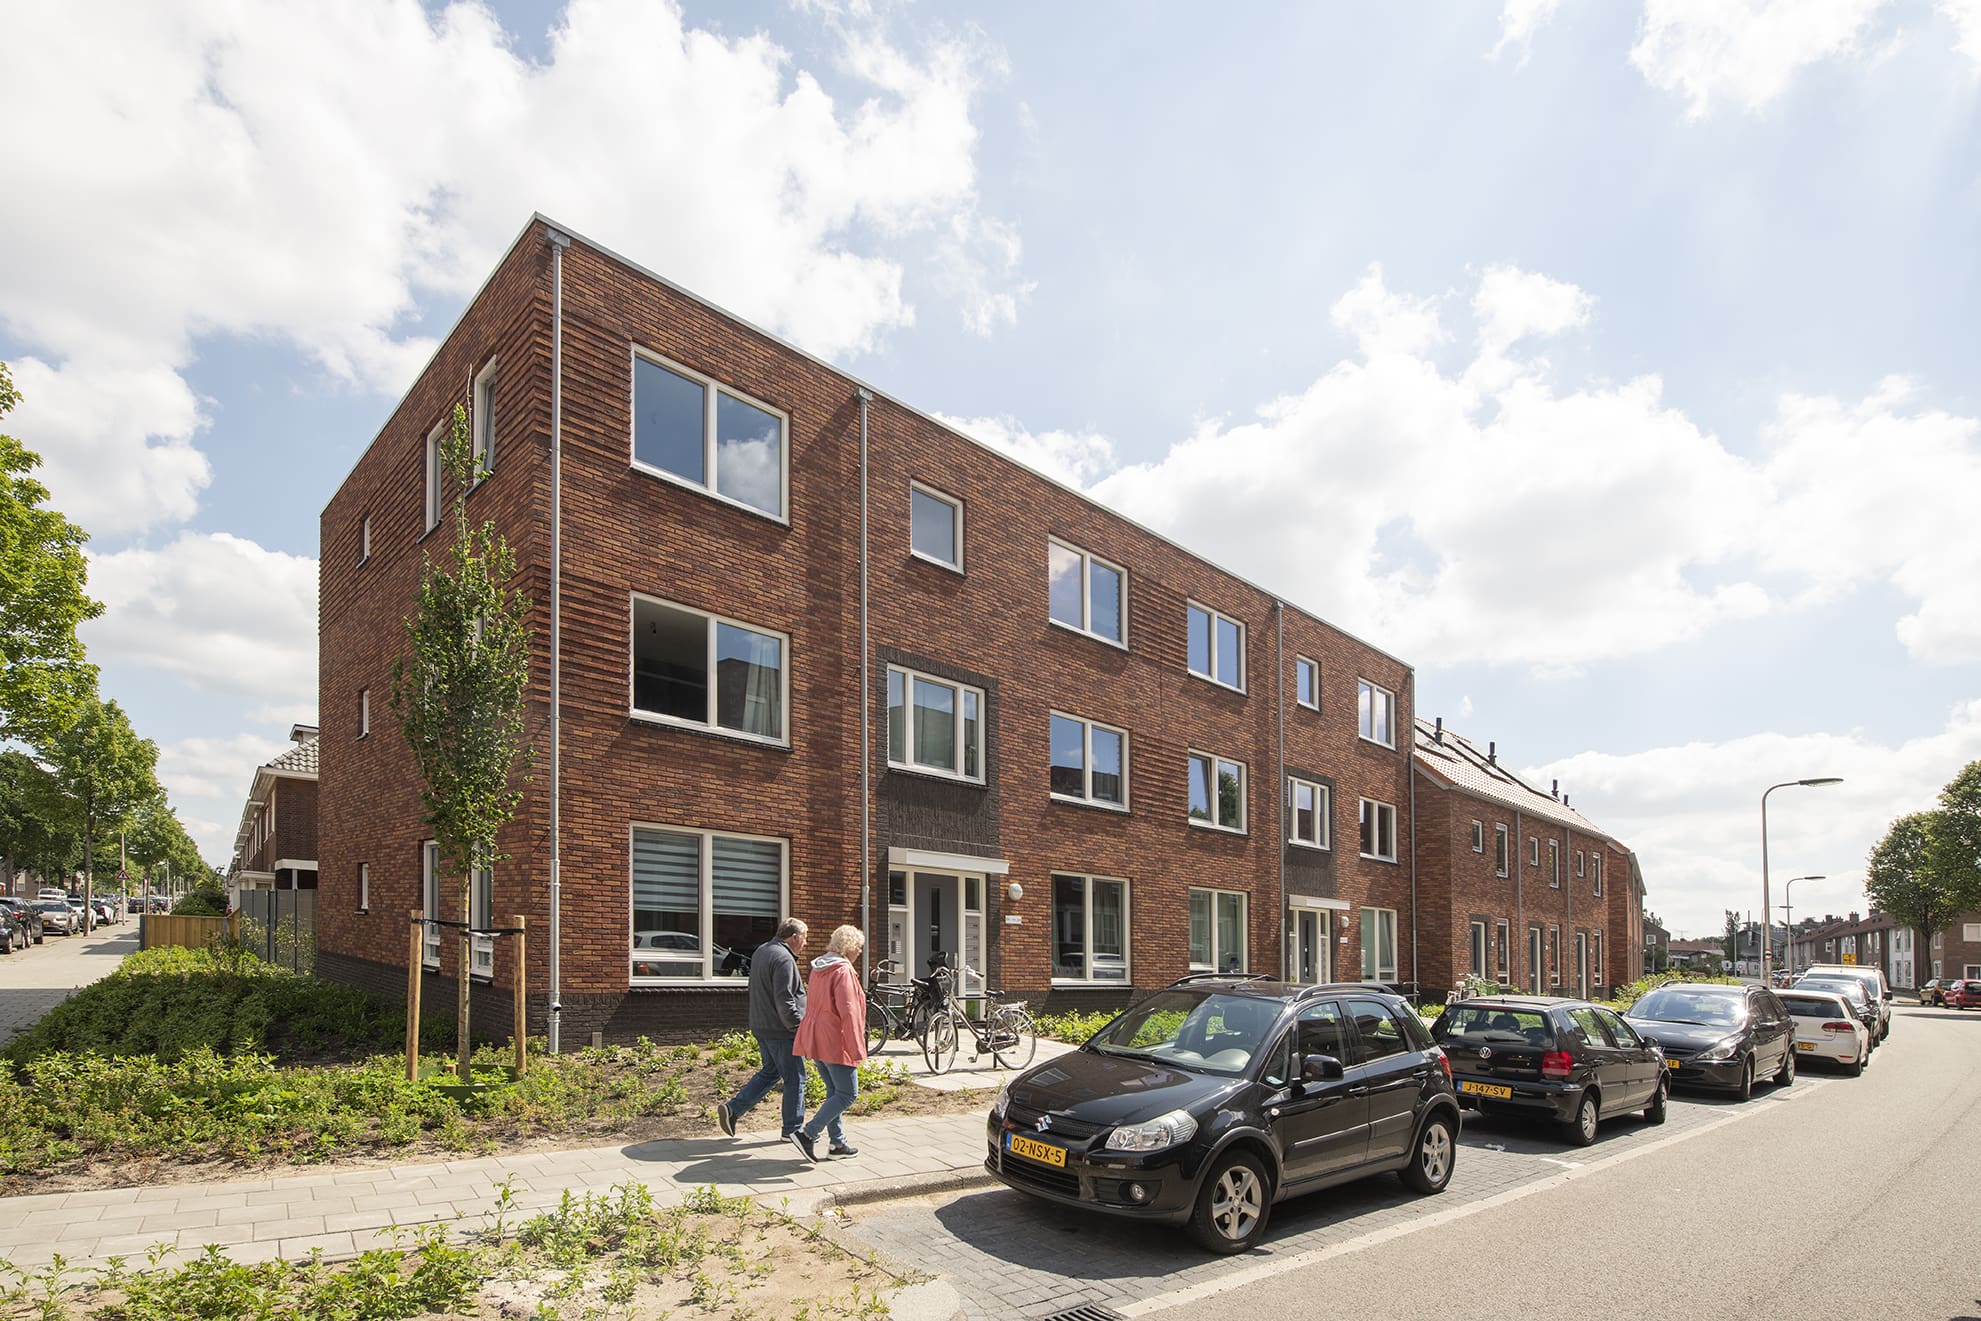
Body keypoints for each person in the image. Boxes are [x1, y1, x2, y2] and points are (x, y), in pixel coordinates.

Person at [715, 917, 809, 1141]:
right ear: (794, 937)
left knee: (771, 1072)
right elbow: (785, 1000)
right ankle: (792, 1130)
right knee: (796, 1078)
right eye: (805, 938)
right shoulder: (784, 959)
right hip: (781, 1030)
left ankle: (733, 1109)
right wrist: (797, 1028)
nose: (805, 943)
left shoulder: (761, 951)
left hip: (762, 1025)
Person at [789, 924, 867, 1163]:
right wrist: (856, 1048)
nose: (860, 952)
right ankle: (807, 1134)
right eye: (859, 947)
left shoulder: (819, 968)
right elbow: (848, 1011)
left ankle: (837, 1143)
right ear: (849, 946)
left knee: (834, 1091)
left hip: (817, 1038)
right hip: (836, 1039)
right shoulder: (843, 971)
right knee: (848, 1094)